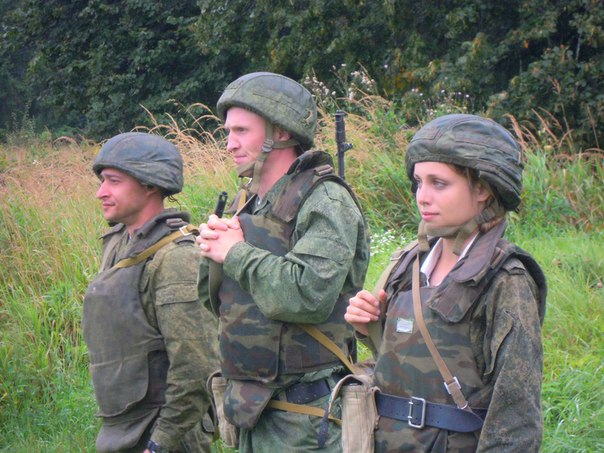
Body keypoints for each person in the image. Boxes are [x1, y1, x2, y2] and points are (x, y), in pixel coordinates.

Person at [345, 114, 547, 452]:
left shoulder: (506, 280)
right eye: (418, 182)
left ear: (482, 189)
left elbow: (516, 414)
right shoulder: (408, 263)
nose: (422, 196)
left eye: (439, 183)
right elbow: (409, 365)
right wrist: (370, 328)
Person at [196, 72, 370, 452]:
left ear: (282, 131)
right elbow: (220, 305)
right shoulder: (251, 202)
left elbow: (309, 295)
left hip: (306, 419)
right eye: (228, 132)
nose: (229, 144)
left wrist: (235, 253)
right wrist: (212, 253)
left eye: (241, 131)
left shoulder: (325, 200)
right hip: (255, 409)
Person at [83, 132, 219, 453]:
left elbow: (194, 367)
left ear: (150, 185)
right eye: (102, 181)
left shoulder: (176, 259)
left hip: (167, 435)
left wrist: (160, 443)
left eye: (114, 181)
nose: (101, 192)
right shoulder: (119, 243)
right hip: (123, 428)